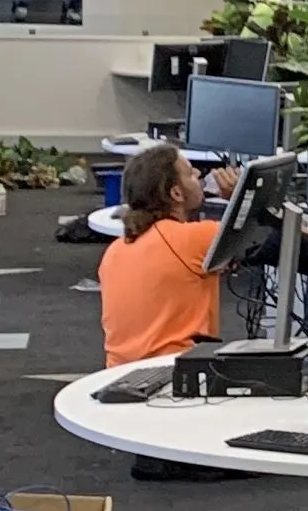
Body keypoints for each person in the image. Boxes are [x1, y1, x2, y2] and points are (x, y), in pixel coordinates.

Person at [99, 141, 237, 361]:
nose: (199, 173)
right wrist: (239, 197)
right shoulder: (197, 238)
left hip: (119, 375)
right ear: (176, 193)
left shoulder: (114, 251)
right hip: (176, 374)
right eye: (191, 173)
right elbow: (276, 238)